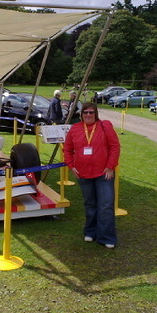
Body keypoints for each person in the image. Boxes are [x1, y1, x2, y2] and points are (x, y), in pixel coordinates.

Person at [63, 102, 121, 248]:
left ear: (96, 114)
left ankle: (106, 237)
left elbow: (114, 147)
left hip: (103, 173)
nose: (88, 115)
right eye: (85, 112)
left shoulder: (104, 126)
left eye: (91, 112)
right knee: (90, 204)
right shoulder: (75, 128)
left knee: (106, 205)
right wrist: (71, 166)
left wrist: (110, 167)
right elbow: (67, 149)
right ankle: (90, 232)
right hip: (83, 173)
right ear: (81, 114)